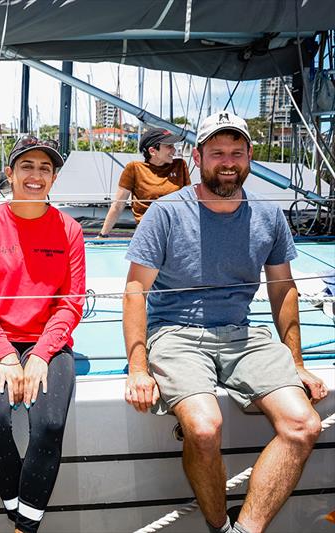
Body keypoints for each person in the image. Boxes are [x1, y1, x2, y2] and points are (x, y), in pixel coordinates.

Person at [123, 112, 327, 533]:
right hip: (176, 333)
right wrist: (138, 368)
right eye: (217, 152)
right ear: (198, 157)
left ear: (250, 156)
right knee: (203, 426)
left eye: (237, 152)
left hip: (242, 333)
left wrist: (297, 363)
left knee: (303, 425)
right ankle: (218, 526)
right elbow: (135, 292)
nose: (228, 161)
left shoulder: (268, 217)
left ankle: (244, 530)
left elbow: (282, 288)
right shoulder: (164, 213)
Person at [0, 136, 86, 533]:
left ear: (53, 178)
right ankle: (20, 510)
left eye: (45, 169)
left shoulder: (69, 230)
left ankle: (23, 528)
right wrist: (4, 355)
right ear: (10, 174)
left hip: (47, 343)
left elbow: (70, 303)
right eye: (27, 167)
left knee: (49, 425)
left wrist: (39, 355)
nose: (36, 175)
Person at [98, 127, 190, 237]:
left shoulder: (180, 165)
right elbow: (118, 205)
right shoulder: (134, 168)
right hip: (148, 232)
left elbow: (189, 201)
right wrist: (103, 235)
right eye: (169, 146)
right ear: (152, 151)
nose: (174, 150)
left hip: (177, 231)